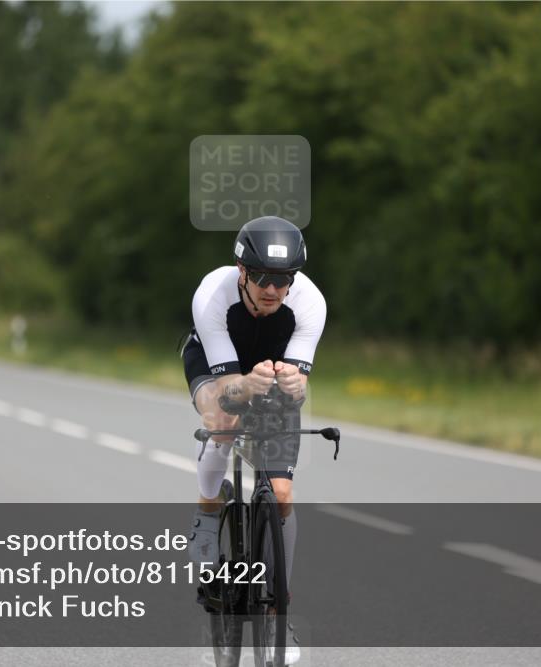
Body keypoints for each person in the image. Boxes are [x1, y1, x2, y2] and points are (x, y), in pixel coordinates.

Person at [181, 216, 326, 664]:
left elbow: (300, 386)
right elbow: (229, 391)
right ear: (242, 272)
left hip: (272, 375)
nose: (272, 289)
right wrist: (249, 382)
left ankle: (282, 613)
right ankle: (208, 509)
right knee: (222, 418)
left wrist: (292, 383)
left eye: (283, 279)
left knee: (281, 495)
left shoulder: (310, 303)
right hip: (217, 364)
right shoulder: (213, 295)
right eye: (262, 277)